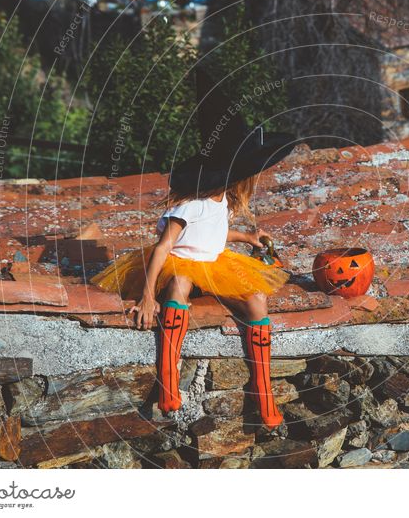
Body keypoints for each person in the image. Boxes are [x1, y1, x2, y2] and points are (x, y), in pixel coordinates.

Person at [90, 67, 296, 432]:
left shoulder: (222, 202)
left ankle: (264, 393)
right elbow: (163, 246)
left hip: (214, 262)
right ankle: (168, 385)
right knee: (180, 284)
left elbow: (215, 235)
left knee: (256, 301)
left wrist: (246, 239)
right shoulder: (190, 206)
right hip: (179, 262)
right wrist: (148, 297)